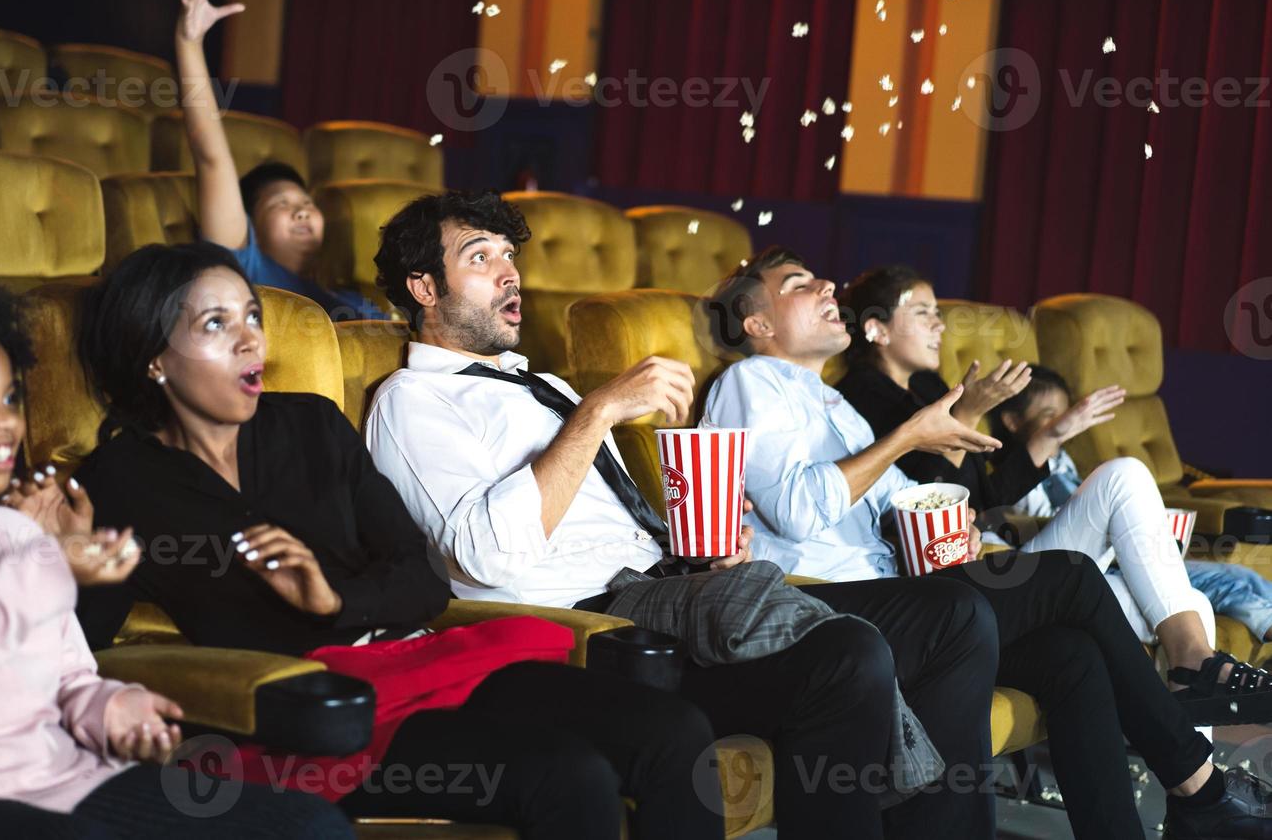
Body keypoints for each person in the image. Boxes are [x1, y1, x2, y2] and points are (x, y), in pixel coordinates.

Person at [362, 192, 1081, 840]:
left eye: (510, 256)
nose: (509, 272)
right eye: (480, 257)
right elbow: (487, 559)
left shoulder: (539, 385)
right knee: (849, 654)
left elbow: (607, 518)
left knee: (955, 616)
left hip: (672, 586)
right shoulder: (410, 402)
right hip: (597, 624)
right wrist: (598, 410)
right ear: (424, 288)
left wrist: (699, 542)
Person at [70, 240, 724, 840]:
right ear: (153, 355)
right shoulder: (118, 480)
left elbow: (421, 577)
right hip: (315, 708)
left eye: (251, 316)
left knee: (675, 733)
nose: (250, 341)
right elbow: (85, 646)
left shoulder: (311, 424)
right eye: (217, 324)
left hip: (426, 658)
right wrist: (60, 559)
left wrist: (335, 601)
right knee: (570, 774)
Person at [700, 245, 1272, 840]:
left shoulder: (836, 405)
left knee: (1071, 654)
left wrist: (951, 520)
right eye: (798, 283)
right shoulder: (752, 381)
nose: (825, 285)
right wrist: (907, 438)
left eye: (821, 278)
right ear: (758, 323)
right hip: (833, 605)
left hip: (904, 587)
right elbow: (795, 510)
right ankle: (1198, 785)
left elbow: (899, 502)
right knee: (1072, 576)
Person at [0, 267, 350, 840]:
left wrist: (109, 708)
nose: (7, 423)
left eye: (11, 399)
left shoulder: (12, 533)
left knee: (306, 823)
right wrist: (45, 565)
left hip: (70, 778)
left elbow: (69, 677)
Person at [832, 264, 1267, 710]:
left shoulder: (928, 386)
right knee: (1141, 508)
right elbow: (922, 507)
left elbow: (986, 498)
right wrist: (966, 416)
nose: (940, 324)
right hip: (955, 589)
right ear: (876, 329)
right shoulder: (858, 400)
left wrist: (1055, 433)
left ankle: (1200, 762)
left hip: (1003, 559)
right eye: (923, 313)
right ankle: (1193, 683)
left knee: (1184, 590)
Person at [995, 366, 1272, 646]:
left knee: (1239, 574)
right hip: (1082, 563)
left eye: (1068, 412)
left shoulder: (1062, 460)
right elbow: (1019, 512)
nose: (1067, 421)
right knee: (1215, 590)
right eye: (1051, 416)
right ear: (1012, 422)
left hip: (1117, 553)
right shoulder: (1007, 470)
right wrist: (1050, 436)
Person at [175, 0, 384, 320]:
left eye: (305, 201)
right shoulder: (245, 267)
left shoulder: (354, 303)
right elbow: (212, 157)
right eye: (280, 204)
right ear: (247, 224)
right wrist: (188, 44)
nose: (302, 210)